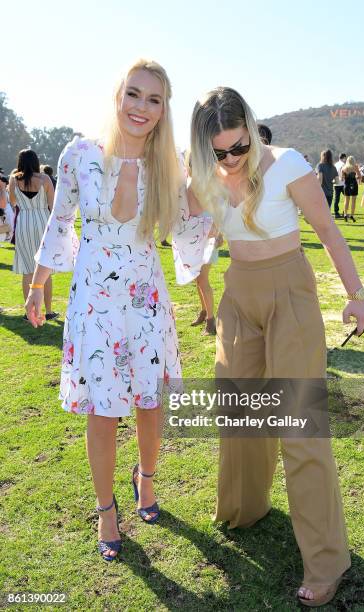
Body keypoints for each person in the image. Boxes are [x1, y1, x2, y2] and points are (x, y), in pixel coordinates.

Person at [186, 86, 364, 607]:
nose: (229, 159)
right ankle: (245, 508)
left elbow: (329, 231)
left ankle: (326, 560)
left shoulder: (287, 163)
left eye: (237, 147)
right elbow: (171, 215)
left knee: (298, 425)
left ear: (250, 127)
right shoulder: (202, 175)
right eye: (218, 152)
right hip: (238, 294)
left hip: (289, 290)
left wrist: (358, 296)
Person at [25, 59, 212, 562]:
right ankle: (106, 511)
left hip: (146, 299)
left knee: (151, 403)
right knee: (104, 410)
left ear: (163, 108)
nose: (141, 108)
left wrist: (212, 193)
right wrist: (39, 286)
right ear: (118, 95)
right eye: (134, 94)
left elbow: (186, 226)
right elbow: (60, 223)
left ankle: (145, 481)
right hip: (94, 302)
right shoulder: (79, 154)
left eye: (154, 99)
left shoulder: (168, 163)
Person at [8, 150, 58, 320]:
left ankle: (28, 312)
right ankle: (49, 311)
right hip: (43, 221)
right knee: (45, 269)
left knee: (28, 270)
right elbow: (53, 205)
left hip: (24, 222)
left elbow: (13, 202)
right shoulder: (45, 179)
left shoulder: (14, 180)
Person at [342, 156, 361, 222]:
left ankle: (345, 214)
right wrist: (356, 177)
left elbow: (342, 178)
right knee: (353, 201)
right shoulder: (355, 167)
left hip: (346, 185)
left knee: (346, 200)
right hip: (354, 185)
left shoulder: (344, 168)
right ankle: (352, 215)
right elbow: (359, 176)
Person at [334, 153, 347, 218]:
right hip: (343, 183)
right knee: (346, 198)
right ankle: (345, 211)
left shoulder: (335, 164)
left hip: (336, 183)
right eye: (345, 158)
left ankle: (336, 212)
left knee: (336, 199)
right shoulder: (344, 164)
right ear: (344, 158)